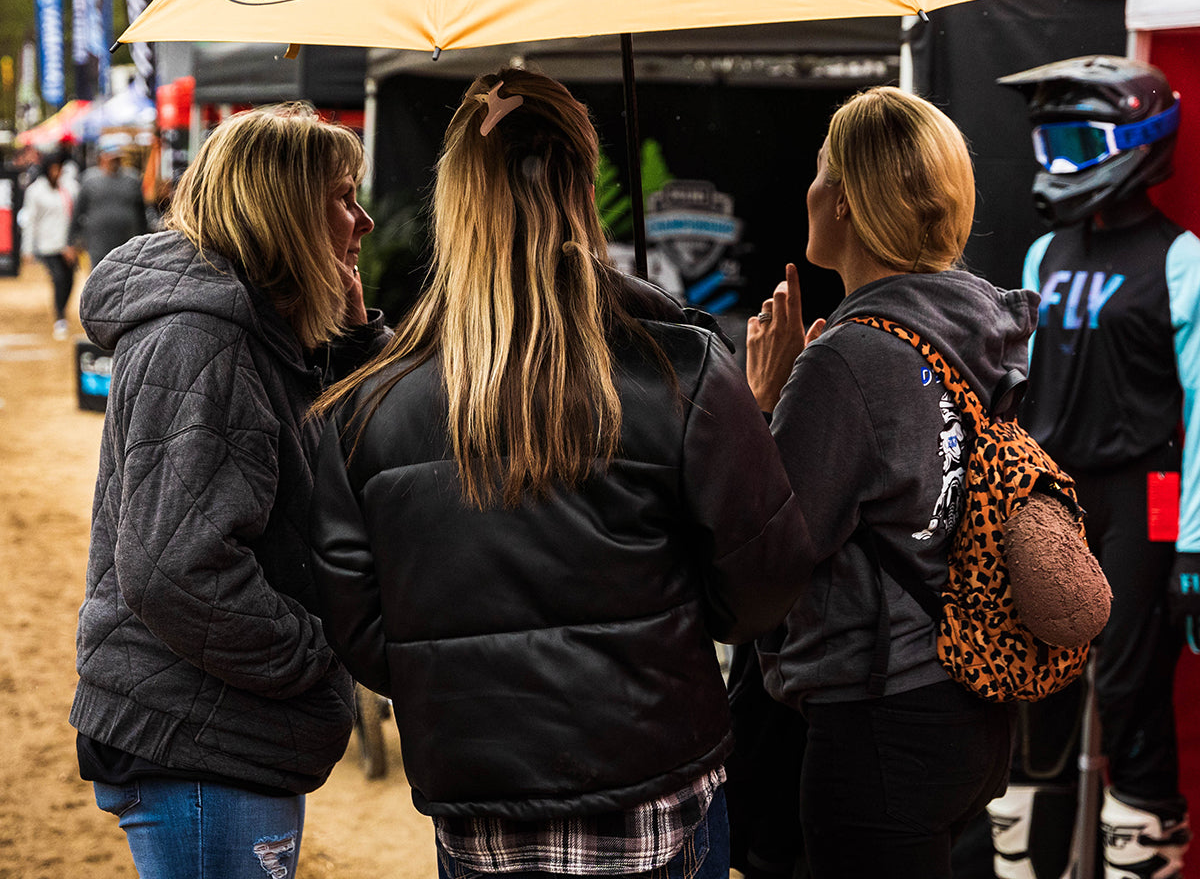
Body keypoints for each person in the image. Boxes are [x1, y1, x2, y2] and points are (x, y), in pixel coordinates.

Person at [309, 67, 815, 879]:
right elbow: (763, 582)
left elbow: (370, 640)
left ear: (455, 200)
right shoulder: (683, 368)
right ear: (583, 185)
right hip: (659, 796)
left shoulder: (366, 407)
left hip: (480, 810)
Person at [71, 103, 387, 879]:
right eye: (343, 198)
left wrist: (352, 347)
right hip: (201, 741)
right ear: (284, 212)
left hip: (222, 734)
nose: (366, 221)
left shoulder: (257, 330)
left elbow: (347, 470)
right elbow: (175, 569)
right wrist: (320, 652)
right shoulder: (201, 340)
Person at [744, 86, 1030, 879]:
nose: (809, 189)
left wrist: (764, 404)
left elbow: (773, 549)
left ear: (844, 201)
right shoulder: (975, 324)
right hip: (970, 700)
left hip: (876, 716)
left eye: (819, 171)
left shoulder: (848, 356)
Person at [988, 56, 1200, 879]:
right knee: (1035, 690)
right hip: (1049, 496)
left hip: (1145, 495)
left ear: (1139, 143)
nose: (1057, 164)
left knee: (1131, 692)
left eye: (1078, 143)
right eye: (1049, 144)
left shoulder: (1181, 260)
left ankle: (1140, 848)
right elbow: (1017, 388)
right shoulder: (1045, 253)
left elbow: (1199, 401)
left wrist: (1191, 543)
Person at [21, 148, 79, 338]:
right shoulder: (35, 191)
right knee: (59, 279)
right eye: (54, 169)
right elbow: (31, 222)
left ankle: (62, 311)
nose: (57, 172)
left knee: (70, 281)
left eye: (59, 168)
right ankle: (60, 317)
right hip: (48, 245)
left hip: (68, 245)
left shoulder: (70, 187)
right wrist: (27, 249)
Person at [68, 135, 149, 266]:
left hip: (128, 243)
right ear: (101, 158)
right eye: (111, 158)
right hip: (99, 244)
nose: (115, 162)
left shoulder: (132, 180)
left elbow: (142, 214)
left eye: (117, 159)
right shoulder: (89, 181)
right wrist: (70, 242)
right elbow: (77, 213)